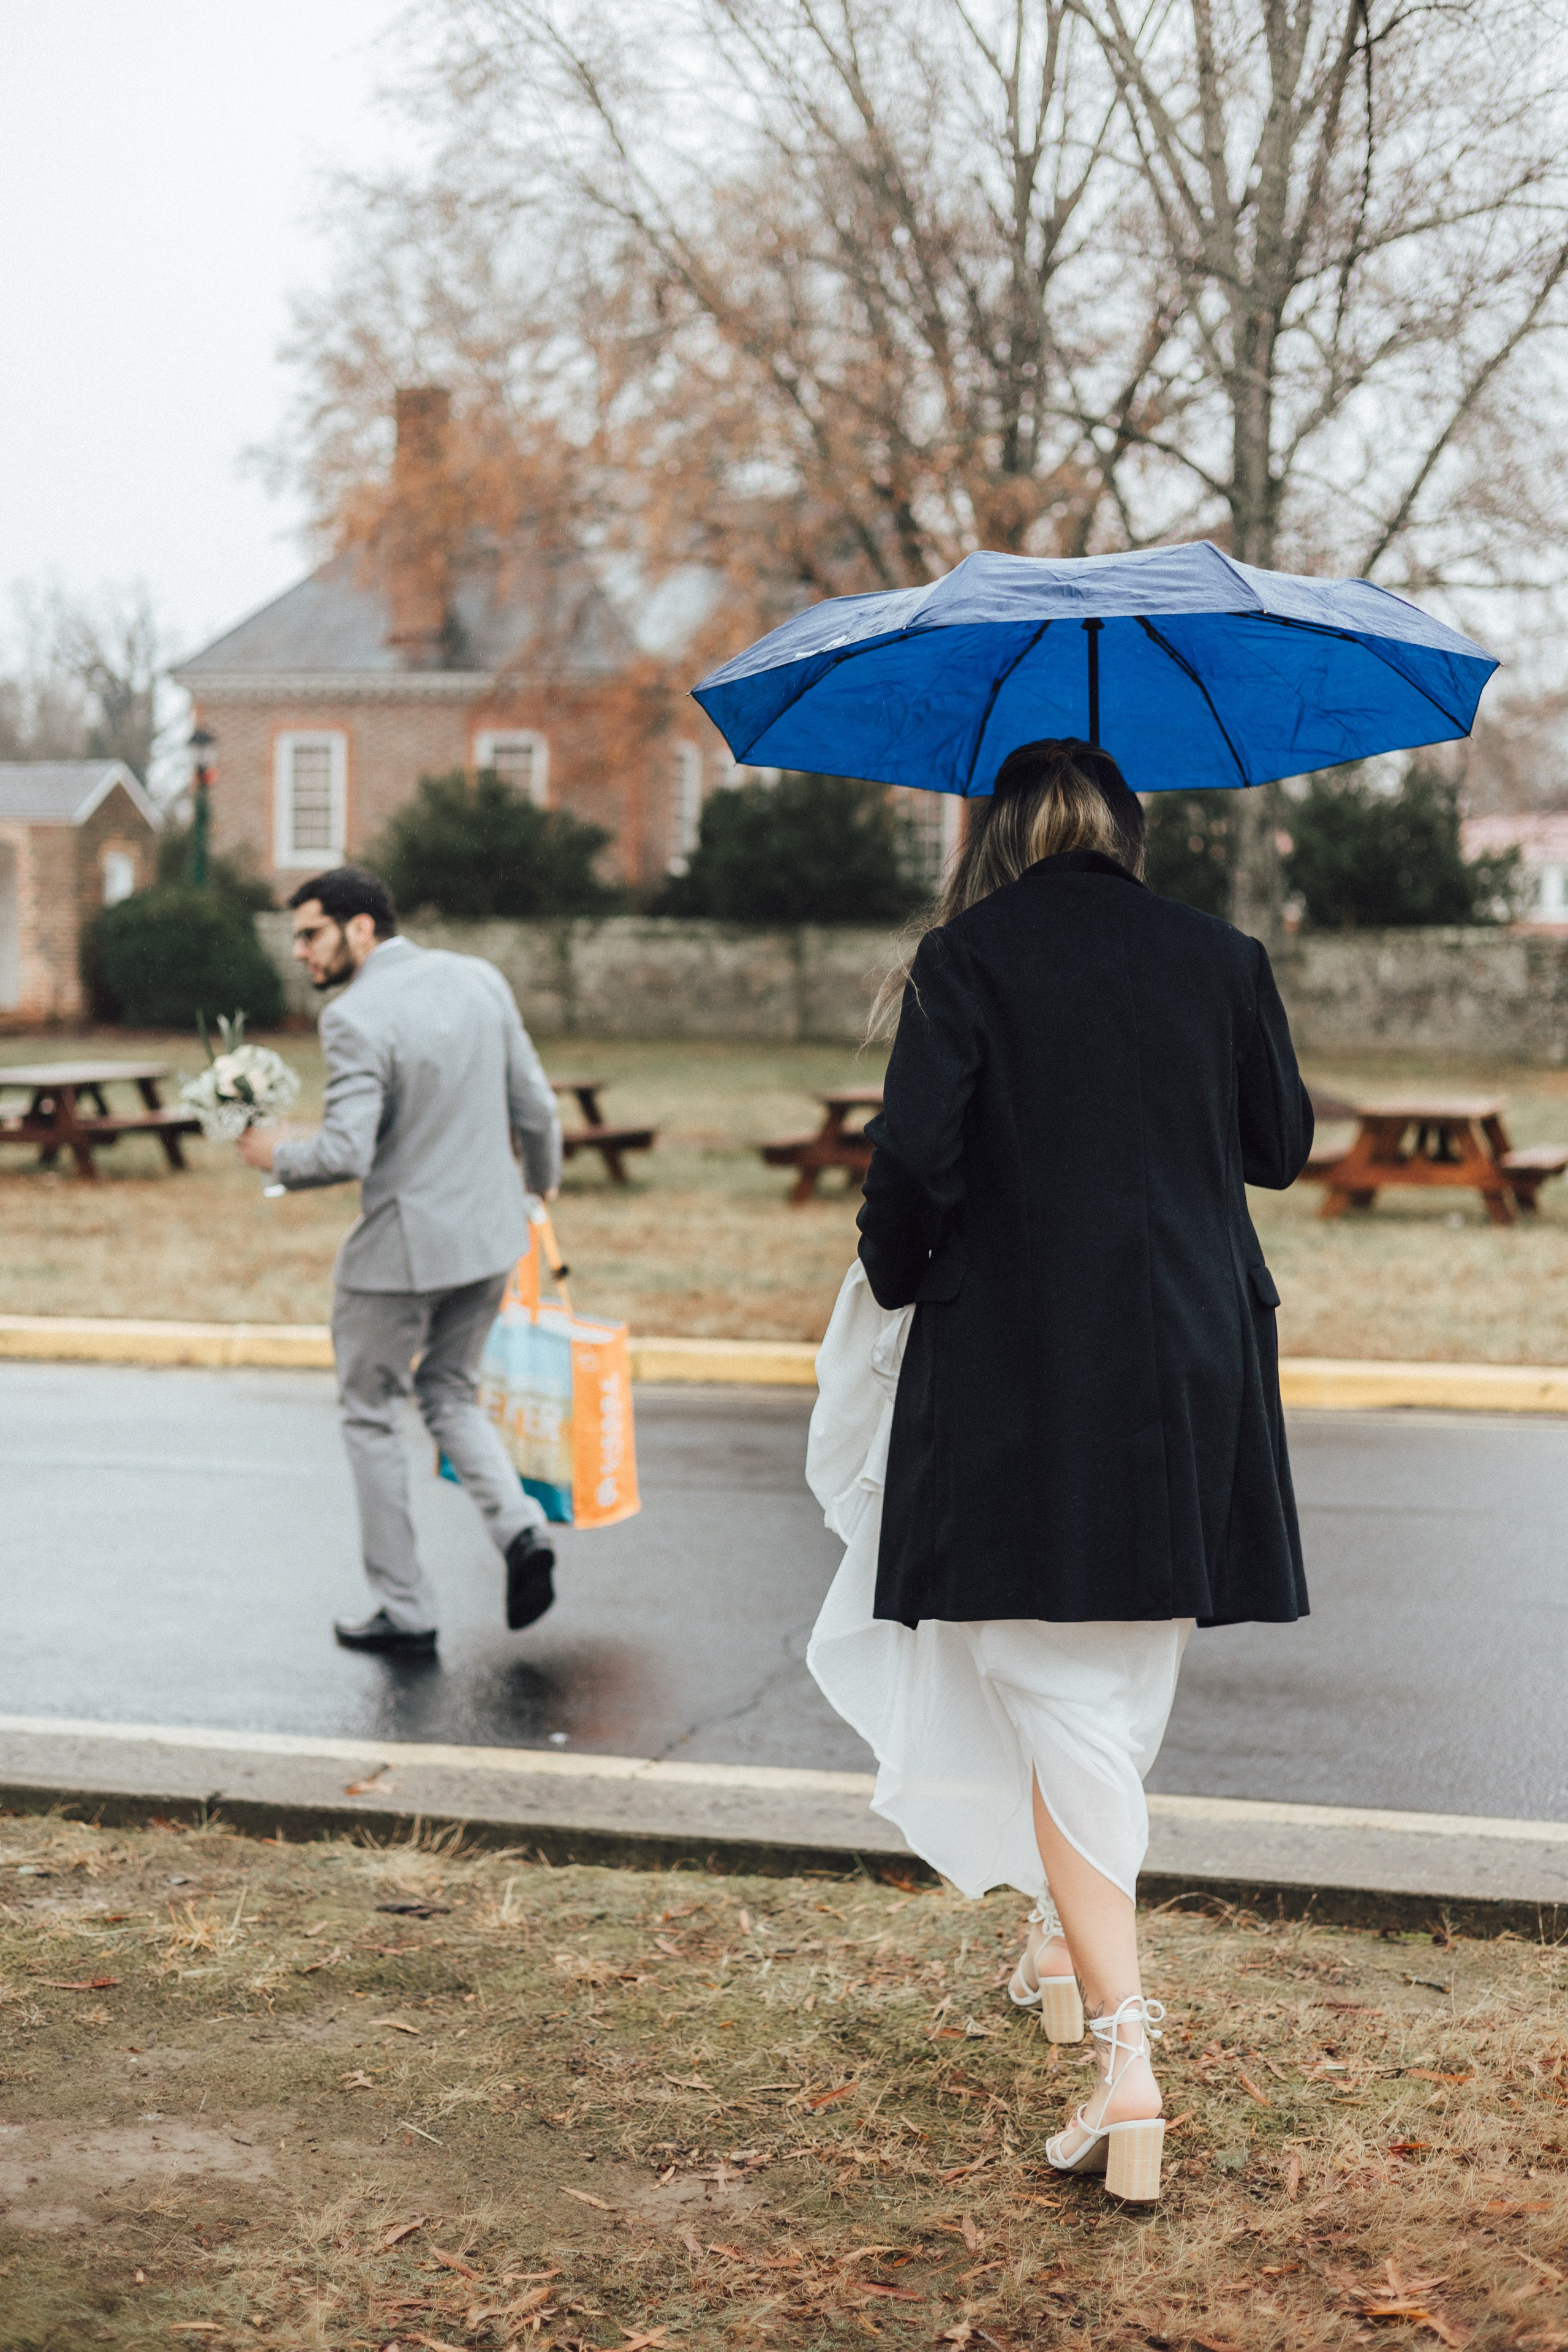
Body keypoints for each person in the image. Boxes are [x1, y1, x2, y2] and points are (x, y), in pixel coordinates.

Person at [806, 740, 1313, 2204]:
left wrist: (893, 1281)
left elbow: (910, 1164)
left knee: (1054, 1685)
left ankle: (1127, 2063)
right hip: (1187, 1357)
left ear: (997, 833)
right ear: (1127, 833)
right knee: (1107, 1680)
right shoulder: (1218, 955)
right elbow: (1274, 1147)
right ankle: (1055, 1925)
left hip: (1019, 1363)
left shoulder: (963, 958)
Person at [237, 865, 563, 1656]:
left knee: (370, 1412)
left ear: (360, 927)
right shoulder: (480, 980)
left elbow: (346, 1151)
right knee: (450, 1392)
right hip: (492, 1240)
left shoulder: (354, 1018)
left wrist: (274, 1151)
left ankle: (407, 1607)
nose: (302, 954)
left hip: (400, 1255)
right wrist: (536, 1198)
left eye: (311, 935)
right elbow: (540, 1111)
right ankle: (522, 1530)